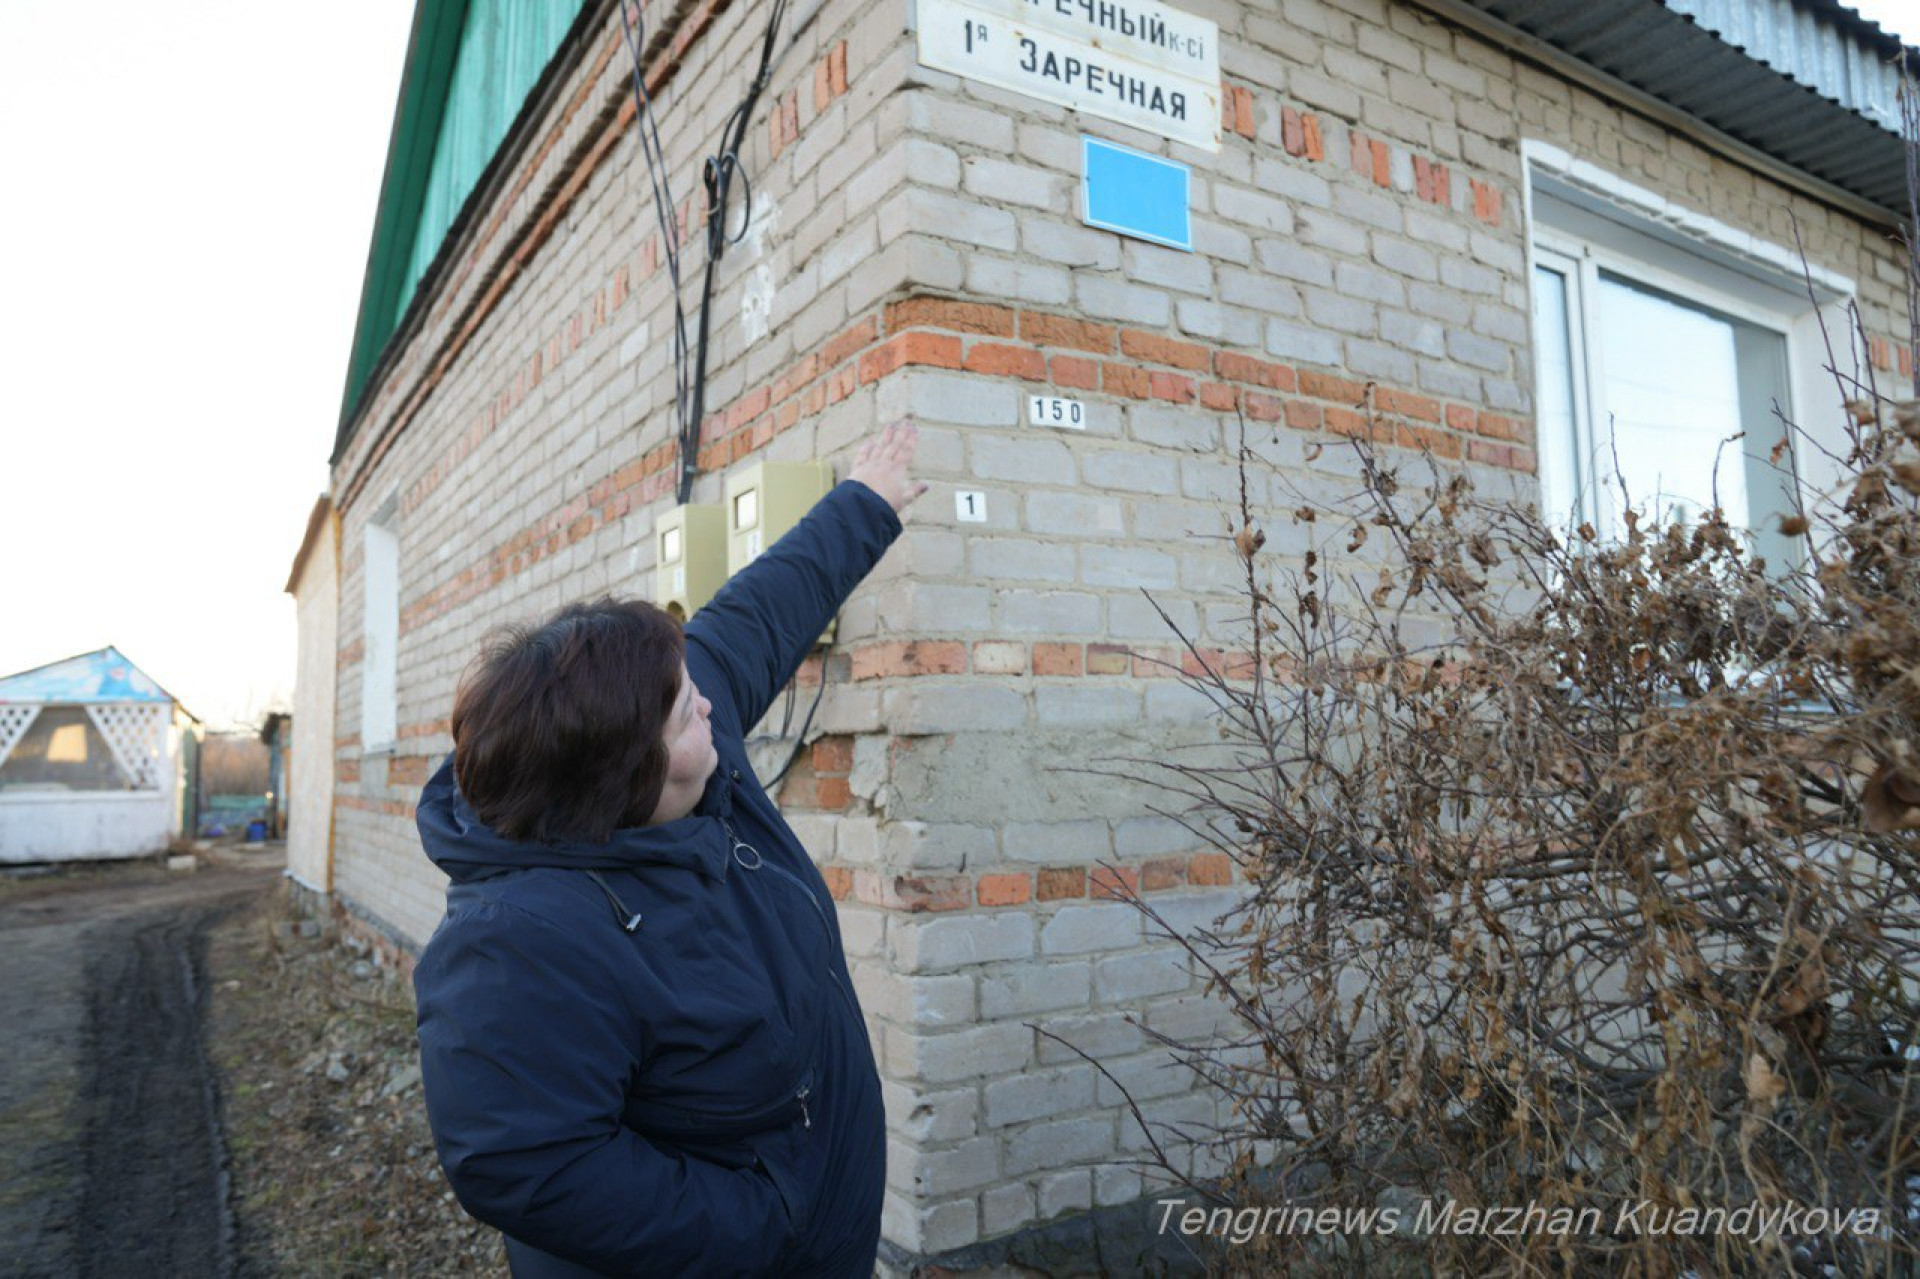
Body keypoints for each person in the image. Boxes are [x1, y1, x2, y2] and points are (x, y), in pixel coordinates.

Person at [412, 423, 926, 1276]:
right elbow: (531, 1163)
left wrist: (863, 503)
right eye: (687, 709)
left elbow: (760, 614)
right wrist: (762, 1223)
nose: (712, 708)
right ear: (621, 774)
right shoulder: (513, 944)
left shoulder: (684, 763)